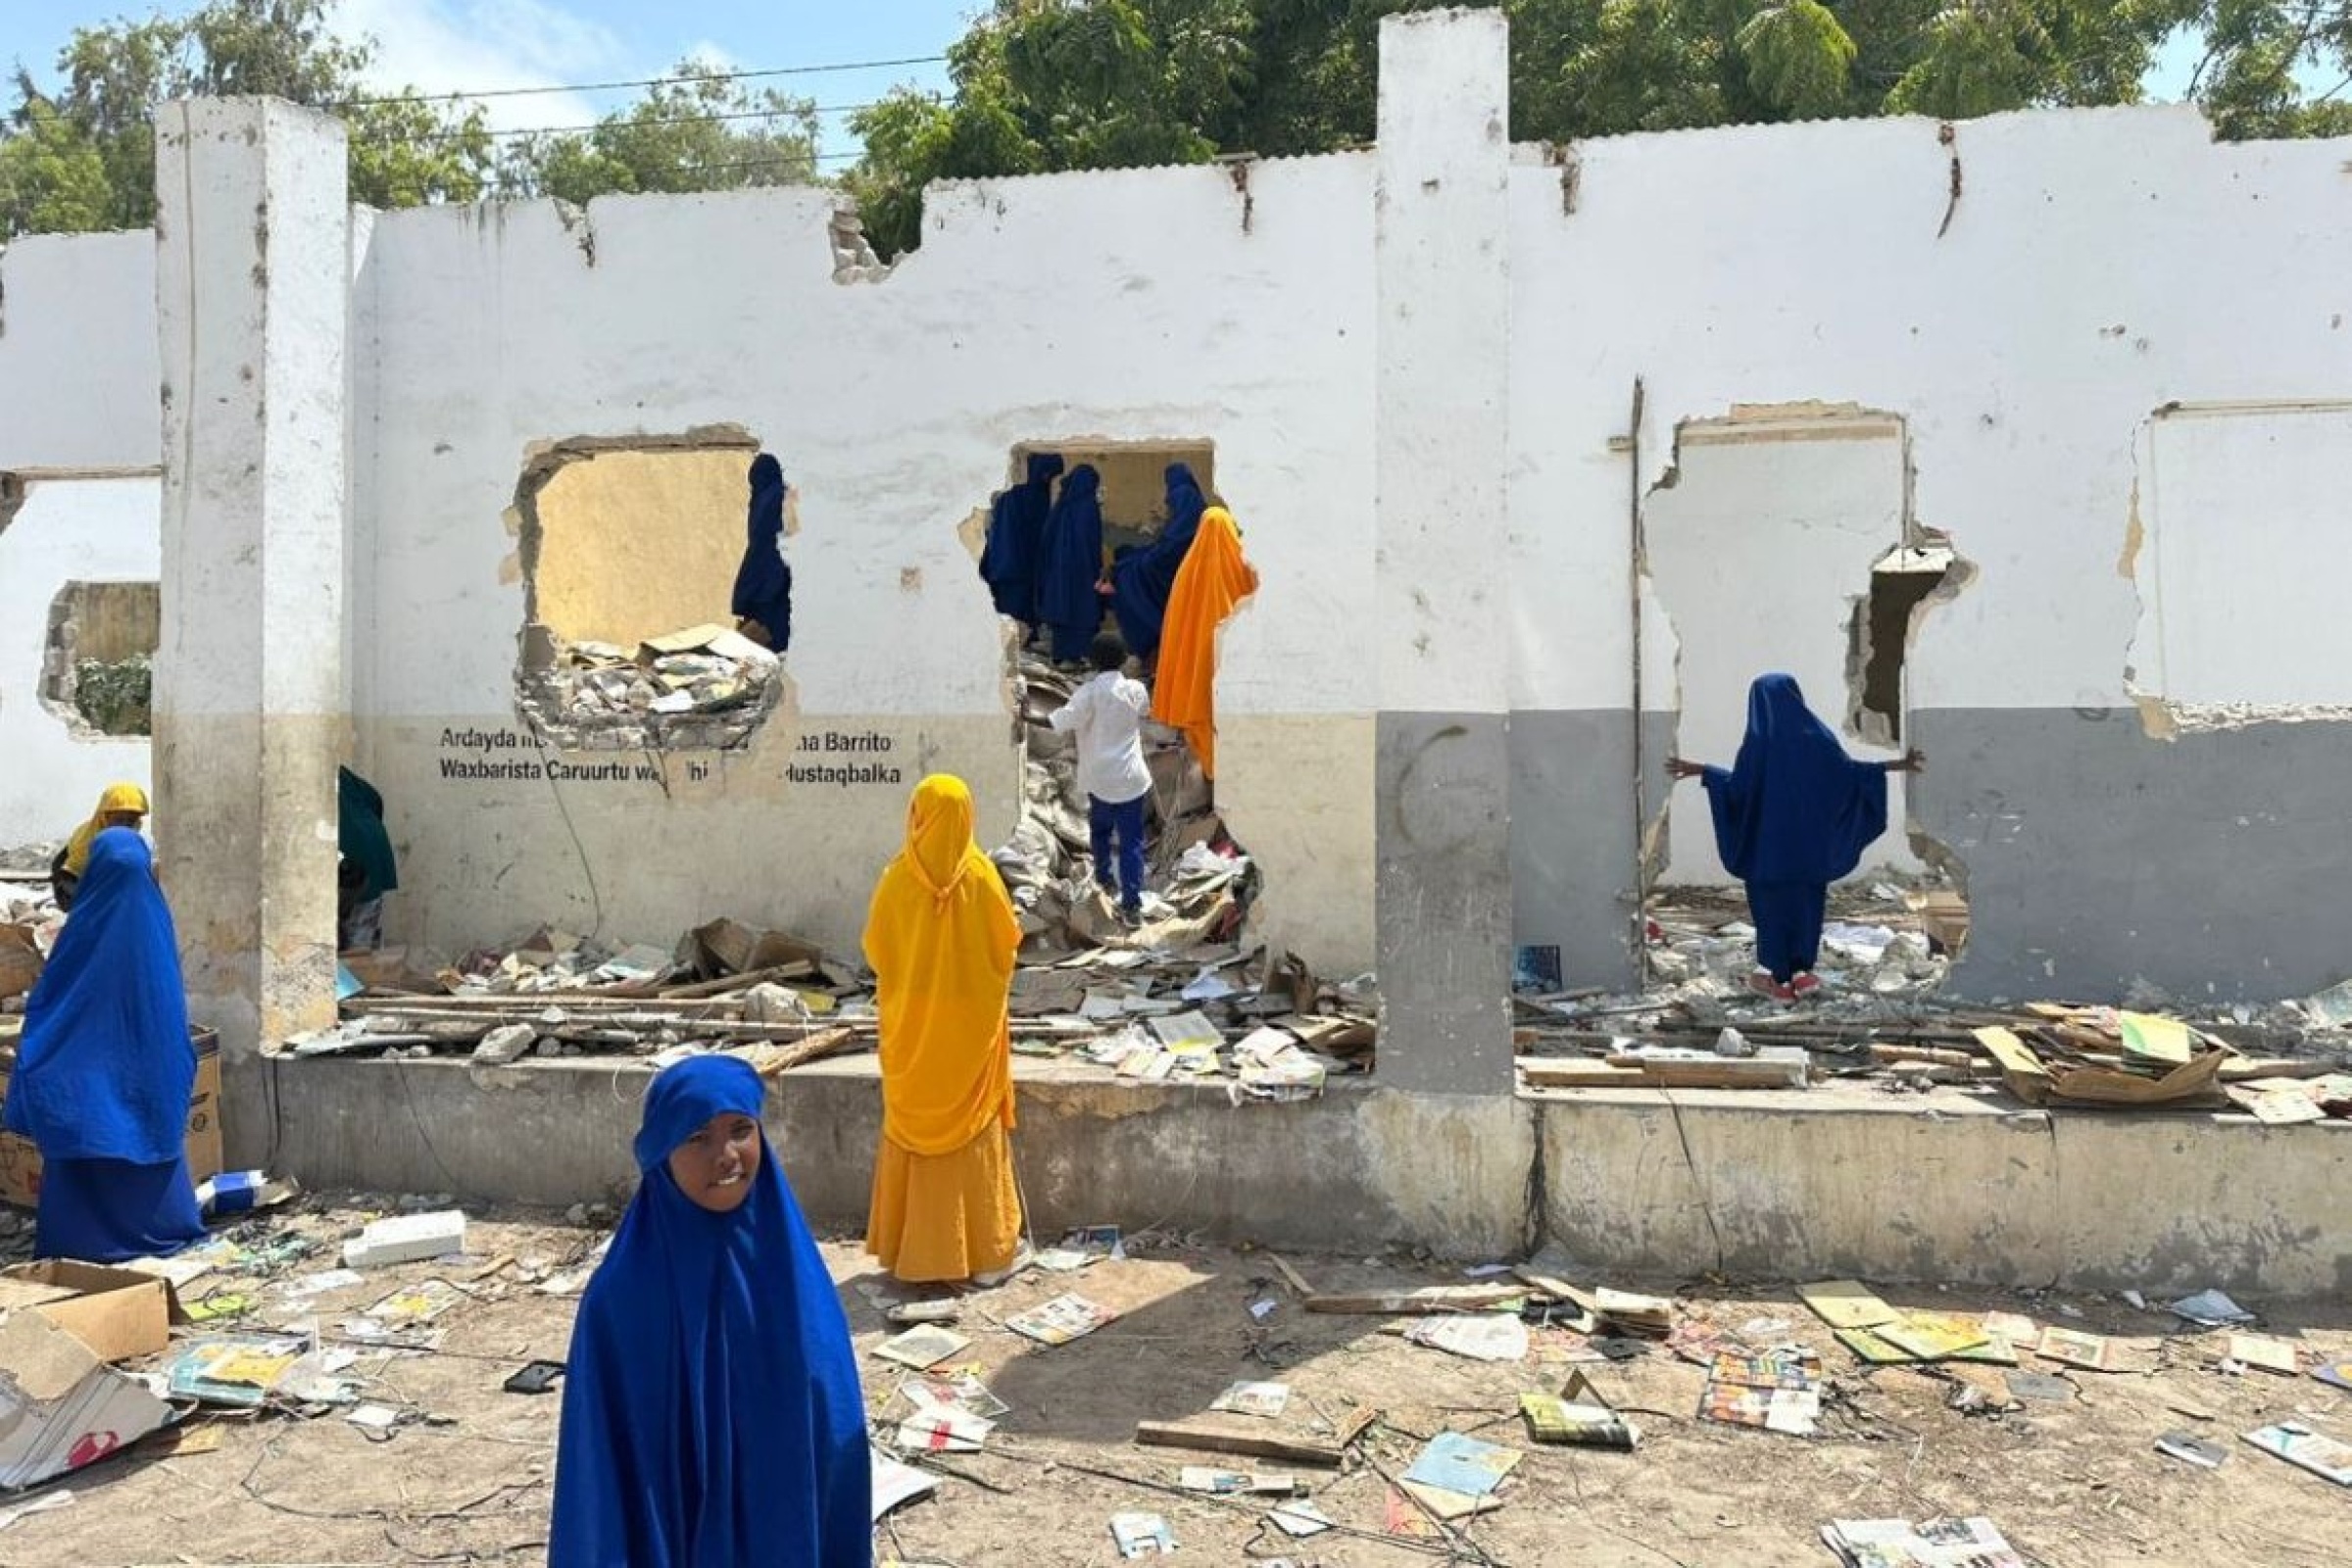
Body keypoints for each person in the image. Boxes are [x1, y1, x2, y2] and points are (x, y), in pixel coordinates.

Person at [548, 1054, 870, 1567]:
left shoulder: (793, 1276)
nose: (726, 1155)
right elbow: (605, 1478)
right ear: (660, 1152)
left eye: (741, 1129)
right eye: (696, 1137)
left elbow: (830, 1425)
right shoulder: (622, 1297)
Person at [3, 828, 207, 1262]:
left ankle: (82, 1240)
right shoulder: (155, 920)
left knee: (87, 1123)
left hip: (87, 1069)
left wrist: (36, 1050)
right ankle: (158, 1230)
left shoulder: (85, 923)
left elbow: (52, 999)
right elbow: (166, 1007)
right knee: (145, 1131)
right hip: (146, 1066)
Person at [861, 775, 1028, 1288]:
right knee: (972, 1127)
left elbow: (876, 951)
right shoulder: (982, 877)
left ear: (919, 816)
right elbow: (1007, 946)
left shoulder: (896, 881)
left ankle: (911, 1251)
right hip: (969, 1030)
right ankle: (987, 1258)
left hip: (912, 1031)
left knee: (914, 1128)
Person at [1666, 673, 1922, 1002]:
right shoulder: (1818, 740)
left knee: (1769, 912)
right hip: (1808, 855)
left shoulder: (1758, 747)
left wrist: (1704, 772)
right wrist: (1900, 763)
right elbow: (1850, 775)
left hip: (1766, 855)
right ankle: (1802, 972)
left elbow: (1738, 790)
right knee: (1807, 909)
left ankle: (1778, 979)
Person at [1050, 631, 1153, 925]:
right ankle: (1132, 904)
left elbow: (1061, 720)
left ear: (1092, 662)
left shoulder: (1087, 694)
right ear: (1124, 660)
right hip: (1131, 778)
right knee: (1132, 841)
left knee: (1100, 831)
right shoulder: (1135, 690)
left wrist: (1023, 715)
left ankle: (1104, 878)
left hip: (1099, 778)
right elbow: (1146, 710)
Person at [1152, 505, 1258, 783]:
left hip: (1196, 670)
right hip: (1234, 670)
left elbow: (1174, 630)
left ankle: (1214, 783)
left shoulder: (1186, 573)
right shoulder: (1242, 566)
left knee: (1204, 725)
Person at [1107, 463, 1208, 661]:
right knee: (1128, 559)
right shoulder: (1193, 499)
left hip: (1176, 568)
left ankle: (1151, 638)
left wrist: (1140, 561)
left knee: (1129, 579)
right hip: (1177, 563)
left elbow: (1171, 547)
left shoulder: (1183, 495)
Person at [977, 453, 1065, 640]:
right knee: (1017, 616)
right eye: (1050, 475)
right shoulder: (1033, 498)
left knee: (1012, 615)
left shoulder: (1012, 496)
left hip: (1003, 565)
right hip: (1020, 567)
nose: (1050, 480)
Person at [1036, 463, 1107, 666]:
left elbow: (1047, 538)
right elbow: (1092, 542)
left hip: (1059, 570)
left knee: (1063, 607)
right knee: (1082, 608)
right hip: (1083, 570)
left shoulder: (1063, 505)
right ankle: (1078, 654)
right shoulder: (1088, 507)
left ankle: (1062, 653)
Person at [49, 782, 148, 913]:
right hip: (73, 880)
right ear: (104, 818)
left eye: (130, 821)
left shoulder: (132, 841)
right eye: (119, 820)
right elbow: (71, 877)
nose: (124, 826)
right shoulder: (88, 843)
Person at [731, 453, 795, 654]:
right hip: (773, 565)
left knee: (763, 616)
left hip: (765, 564)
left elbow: (763, 534)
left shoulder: (766, 497)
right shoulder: (779, 495)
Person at [337, 765, 398, 952]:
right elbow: (374, 797)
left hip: (355, 868)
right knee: (360, 948)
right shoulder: (341, 774)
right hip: (373, 854)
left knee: (355, 953)